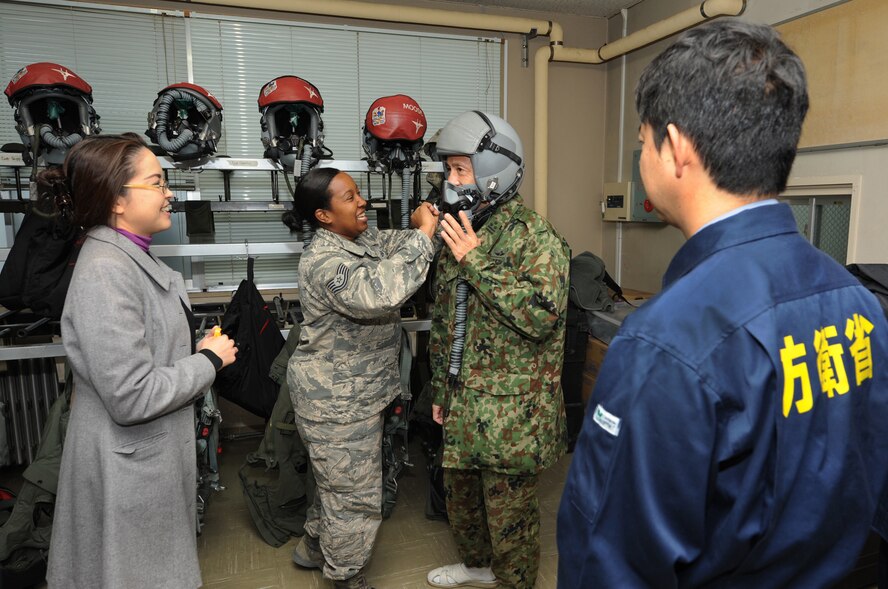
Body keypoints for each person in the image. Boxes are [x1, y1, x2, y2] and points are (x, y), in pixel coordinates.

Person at [557, 20, 888, 587]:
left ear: (676, 148)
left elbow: (611, 562)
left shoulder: (665, 343)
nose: (642, 157)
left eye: (642, 142)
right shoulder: (858, 302)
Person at [45, 133, 238, 588]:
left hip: (143, 458)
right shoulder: (106, 272)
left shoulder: (127, 259)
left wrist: (186, 353)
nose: (169, 192)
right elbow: (130, 395)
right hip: (126, 467)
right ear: (116, 199)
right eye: (156, 182)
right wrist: (207, 361)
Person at [425, 111, 570, 589]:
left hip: (512, 414)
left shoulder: (535, 238)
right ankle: (474, 566)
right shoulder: (461, 228)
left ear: (494, 173)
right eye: (448, 170)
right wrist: (440, 389)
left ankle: (513, 581)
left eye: (460, 170)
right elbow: (448, 319)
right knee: (461, 500)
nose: (450, 180)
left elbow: (541, 317)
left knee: (510, 517)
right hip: (463, 401)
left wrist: (477, 260)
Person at [284, 167, 438, 589]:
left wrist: (425, 226)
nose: (363, 202)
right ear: (324, 216)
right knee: (354, 498)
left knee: (335, 484)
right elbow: (380, 293)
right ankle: (347, 577)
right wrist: (422, 237)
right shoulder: (324, 261)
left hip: (359, 394)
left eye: (359, 193)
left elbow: (398, 245)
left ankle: (314, 548)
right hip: (336, 402)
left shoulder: (359, 239)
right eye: (350, 198)